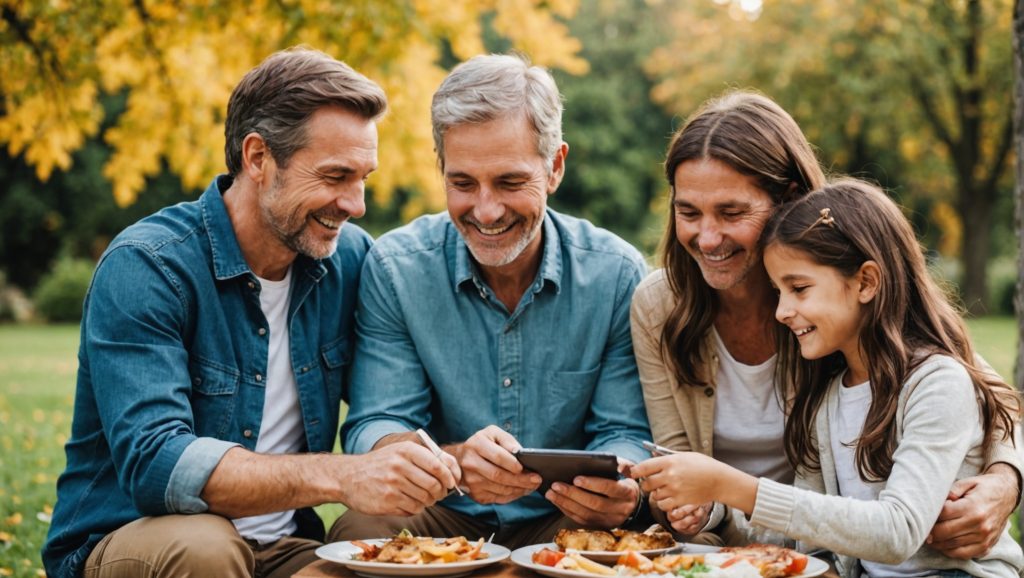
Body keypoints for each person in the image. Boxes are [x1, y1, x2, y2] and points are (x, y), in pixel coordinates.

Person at [42, 47, 461, 578]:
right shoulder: (148, 266)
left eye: (363, 179)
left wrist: (434, 453)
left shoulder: (348, 260)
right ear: (258, 158)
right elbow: (156, 463)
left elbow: (387, 401)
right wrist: (343, 475)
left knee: (385, 560)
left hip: (284, 548)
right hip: (140, 539)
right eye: (335, 177)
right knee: (206, 547)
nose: (355, 204)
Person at [629, 90, 1021, 552]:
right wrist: (703, 506)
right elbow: (680, 469)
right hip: (752, 548)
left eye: (732, 212)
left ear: (789, 198)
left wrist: (1005, 483)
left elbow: (990, 400)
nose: (708, 238)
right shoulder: (659, 307)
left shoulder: (850, 307)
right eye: (688, 212)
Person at [330, 53, 652, 548]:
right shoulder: (397, 268)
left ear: (555, 167)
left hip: (564, 519)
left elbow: (624, 429)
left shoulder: (616, 274)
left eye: (510, 181)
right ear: (441, 168)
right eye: (462, 183)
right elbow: (378, 421)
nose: (485, 210)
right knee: (358, 529)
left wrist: (621, 485)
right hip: (439, 511)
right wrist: (451, 461)